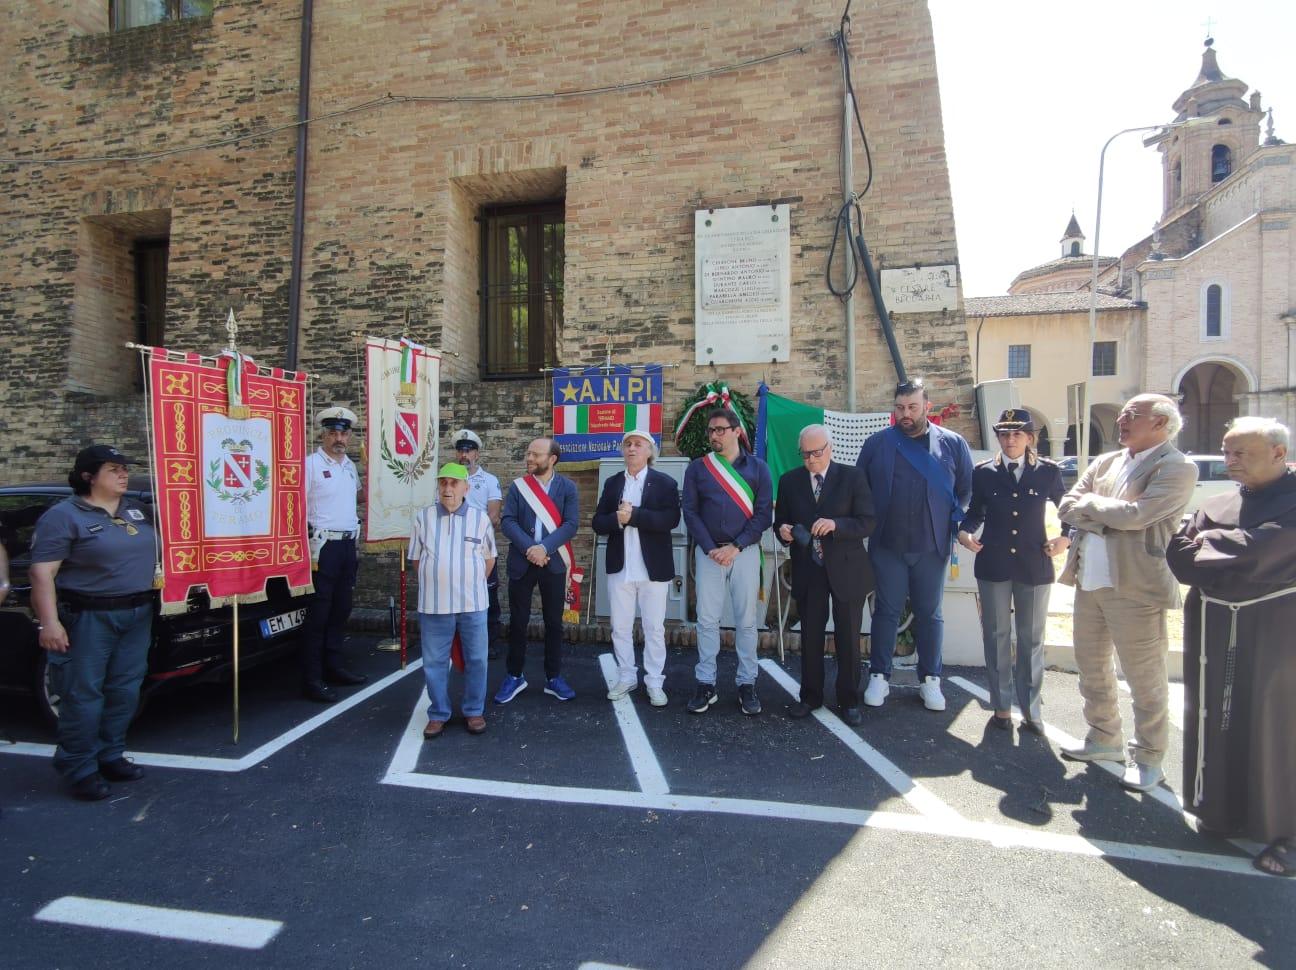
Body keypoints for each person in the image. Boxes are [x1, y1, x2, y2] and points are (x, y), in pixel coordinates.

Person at [1166, 416, 1296, 877]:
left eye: (1241, 453)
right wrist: (1223, 549)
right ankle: (1220, 809)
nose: (1230, 461)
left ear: (1279, 454)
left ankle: (1283, 831)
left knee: (1274, 721)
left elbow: (1267, 548)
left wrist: (1213, 544)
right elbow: (1179, 555)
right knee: (1216, 712)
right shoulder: (1219, 502)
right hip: (1216, 622)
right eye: (1226, 452)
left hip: (1277, 629)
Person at [1057, 393, 1197, 792]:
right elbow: (1068, 506)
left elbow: (1138, 517)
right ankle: (1104, 739)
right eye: (1121, 414)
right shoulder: (1106, 461)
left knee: (1144, 676)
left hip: (1136, 587)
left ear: (1161, 423)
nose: (1121, 420)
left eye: (1132, 415)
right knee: (1092, 667)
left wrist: (1095, 509)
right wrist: (1107, 513)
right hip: (1089, 582)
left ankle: (1150, 758)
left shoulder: (1175, 467)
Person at [28, 445, 156, 801]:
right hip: (88, 617)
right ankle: (79, 766)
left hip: (136, 613)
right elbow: (42, 573)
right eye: (113, 469)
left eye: (124, 468)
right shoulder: (64, 515)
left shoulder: (136, 509)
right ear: (88, 476)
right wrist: (49, 624)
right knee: (83, 696)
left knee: (124, 691)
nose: (123, 474)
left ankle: (110, 754)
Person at [855, 378, 973, 712]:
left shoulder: (953, 444)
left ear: (927, 407)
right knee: (886, 612)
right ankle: (879, 674)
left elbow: (965, 490)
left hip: (932, 547)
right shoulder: (877, 444)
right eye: (900, 408)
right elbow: (860, 489)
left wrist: (956, 524)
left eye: (913, 407)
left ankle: (930, 679)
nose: (905, 414)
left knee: (930, 614)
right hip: (887, 546)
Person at [958, 409, 1072, 733]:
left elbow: (1070, 510)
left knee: (1031, 638)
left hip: (1034, 563)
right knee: (996, 636)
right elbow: (974, 512)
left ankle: (1032, 708)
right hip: (993, 562)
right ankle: (1002, 706)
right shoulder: (983, 473)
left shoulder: (1047, 473)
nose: (1010, 440)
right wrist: (964, 533)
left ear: (1030, 438)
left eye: (1017, 434)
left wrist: (1066, 536)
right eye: (1004, 434)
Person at [775, 424, 875, 725]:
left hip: (847, 568)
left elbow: (868, 522)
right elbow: (780, 523)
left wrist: (837, 525)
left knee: (848, 637)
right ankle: (810, 696)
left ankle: (849, 699)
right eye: (805, 455)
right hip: (809, 569)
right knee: (810, 637)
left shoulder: (853, 477)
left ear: (830, 448)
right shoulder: (789, 481)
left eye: (816, 453)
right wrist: (783, 532)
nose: (811, 460)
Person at [682, 407, 773, 716]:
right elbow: (690, 512)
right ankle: (705, 682)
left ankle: (747, 682)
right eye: (711, 431)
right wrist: (710, 548)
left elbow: (764, 515)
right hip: (709, 554)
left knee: (746, 621)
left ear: (737, 431)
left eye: (720, 429)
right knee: (706, 620)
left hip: (744, 553)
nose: (714, 435)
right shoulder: (698, 468)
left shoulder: (758, 468)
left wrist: (735, 547)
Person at [591, 429, 681, 707]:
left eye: (638, 444)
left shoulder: (664, 482)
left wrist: (635, 516)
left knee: (654, 628)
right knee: (620, 627)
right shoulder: (613, 482)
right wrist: (617, 520)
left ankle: (654, 682)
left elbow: (671, 519)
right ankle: (627, 676)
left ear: (649, 451)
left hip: (653, 568)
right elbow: (597, 522)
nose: (631, 448)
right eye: (627, 444)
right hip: (621, 567)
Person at [408, 463, 497, 739]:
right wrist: (439, 579)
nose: (448, 489)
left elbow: (489, 559)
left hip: (473, 604)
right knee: (434, 661)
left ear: (465, 488)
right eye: (443, 483)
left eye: (454, 483)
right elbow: (415, 559)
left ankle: (473, 711)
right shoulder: (422, 518)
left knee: (477, 660)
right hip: (435, 605)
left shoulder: (480, 518)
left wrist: (465, 582)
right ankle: (438, 713)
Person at [495, 437, 580, 703]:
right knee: (518, 622)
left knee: (554, 623)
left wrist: (544, 548)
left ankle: (553, 677)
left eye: (535, 454)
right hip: (523, 561)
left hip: (553, 562)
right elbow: (508, 521)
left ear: (552, 459)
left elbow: (571, 524)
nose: (529, 458)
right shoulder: (520, 487)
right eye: (528, 453)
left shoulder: (568, 487)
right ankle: (514, 675)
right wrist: (531, 548)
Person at [301, 405, 368, 703]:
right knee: (319, 614)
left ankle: (334, 666)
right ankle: (312, 678)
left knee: (341, 610)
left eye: (343, 433)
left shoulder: (349, 466)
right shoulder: (310, 464)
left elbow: (356, 497)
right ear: (323, 434)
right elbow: (295, 506)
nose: (339, 438)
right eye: (333, 432)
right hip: (322, 546)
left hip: (346, 546)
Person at [452, 428, 504, 657]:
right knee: (458, 596)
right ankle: (461, 642)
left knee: (488, 595)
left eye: (469, 451)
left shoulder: (490, 480)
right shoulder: (449, 480)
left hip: (482, 548)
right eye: (461, 450)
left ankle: (489, 642)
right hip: (454, 549)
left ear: (477, 454)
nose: (464, 455)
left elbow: (493, 516)